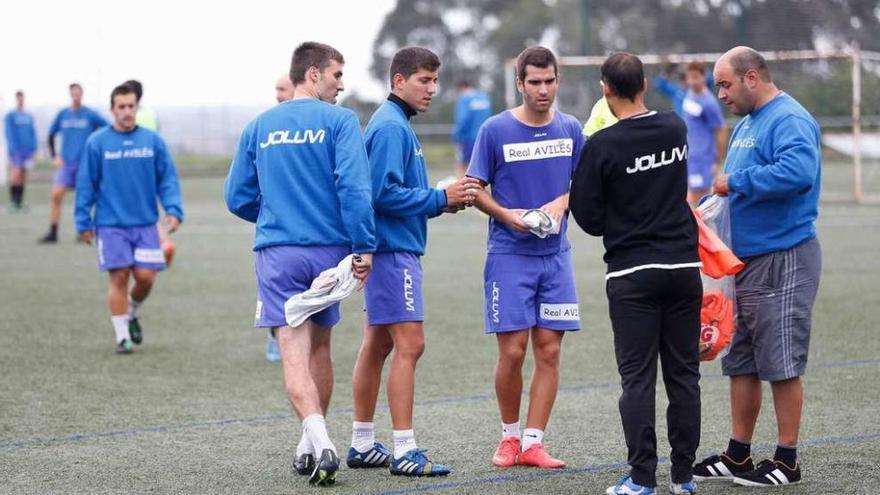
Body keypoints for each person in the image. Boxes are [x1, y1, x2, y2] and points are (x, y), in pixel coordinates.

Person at [224, 41, 376, 487]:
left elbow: (237, 197)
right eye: (336, 75)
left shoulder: (259, 125)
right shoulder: (342, 121)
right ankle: (311, 443)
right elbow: (354, 189)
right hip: (330, 252)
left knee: (292, 350)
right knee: (322, 349)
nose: (341, 85)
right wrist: (363, 247)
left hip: (278, 252)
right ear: (312, 75)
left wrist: (275, 215)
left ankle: (317, 441)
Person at [569, 52, 702, 495]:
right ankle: (684, 477)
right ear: (644, 83)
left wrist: (622, 222)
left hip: (632, 272)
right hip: (684, 267)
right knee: (684, 375)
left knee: (638, 379)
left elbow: (586, 216)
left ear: (605, 89)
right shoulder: (675, 126)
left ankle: (643, 478)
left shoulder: (601, 145)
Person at [693, 46, 822, 488]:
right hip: (743, 263)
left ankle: (787, 460)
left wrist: (737, 182)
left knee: (781, 360)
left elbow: (798, 171)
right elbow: (731, 193)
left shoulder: (788, 118)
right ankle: (739, 455)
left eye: (725, 85)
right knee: (741, 359)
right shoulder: (748, 123)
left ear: (752, 77)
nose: (721, 95)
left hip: (782, 257)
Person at [348, 46, 478, 478]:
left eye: (435, 80)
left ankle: (362, 442)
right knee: (409, 344)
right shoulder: (389, 128)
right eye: (424, 80)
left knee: (379, 343)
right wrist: (441, 198)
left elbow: (395, 190)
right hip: (392, 251)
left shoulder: (395, 123)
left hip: (390, 247)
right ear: (398, 81)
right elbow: (382, 195)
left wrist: (439, 198)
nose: (432, 89)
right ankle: (405, 449)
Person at [467, 46, 584, 470]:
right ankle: (509, 437)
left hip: (556, 257)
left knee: (549, 351)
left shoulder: (571, 128)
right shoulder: (495, 130)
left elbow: (586, 184)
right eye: (534, 82)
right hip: (509, 255)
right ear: (519, 84)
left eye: (550, 81)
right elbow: (474, 188)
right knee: (514, 352)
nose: (543, 90)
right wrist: (507, 215)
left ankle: (534, 443)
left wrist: (561, 201)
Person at [74, 83, 183, 354]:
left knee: (146, 277)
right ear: (112, 110)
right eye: (121, 107)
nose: (126, 111)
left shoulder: (152, 141)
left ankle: (132, 311)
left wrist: (173, 209)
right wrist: (82, 222)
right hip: (110, 225)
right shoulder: (97, 142)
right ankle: (122, 337)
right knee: (119, 277)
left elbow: (167, 178)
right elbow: (86, 183)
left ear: (136, 107)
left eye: (131, 106)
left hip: (146, 223)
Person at [41, 83, 108, 243]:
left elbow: (108, 129)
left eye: (79, 94)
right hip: (67, 164)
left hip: (85, 164)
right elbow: (50, 135)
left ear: (82, 95)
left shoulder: (90, 114)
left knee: (87, 198)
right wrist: (54, 156)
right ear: (70, 94)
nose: (76, 96)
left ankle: (84, 230)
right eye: (74, 94)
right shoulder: (63, 114)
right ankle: (53, 232)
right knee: (56, 195)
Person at [680, 62, 727, 204]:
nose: (692, 81)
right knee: (691, 197)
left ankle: (703, 227)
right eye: (689, 77)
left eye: (695, 77)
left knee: (700, 201)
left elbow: (721, 129)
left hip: (702, 160)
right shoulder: (689, 94)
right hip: (690, 157)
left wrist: (717, 161)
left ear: (703, 77)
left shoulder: (709, 102)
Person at [4, 90, 37, 212]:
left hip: (27, 150)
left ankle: (19, 202)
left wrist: (34, 148)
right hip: (16, 150)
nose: (21, 100)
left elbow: (33, 133)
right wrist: (13, 150)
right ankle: (13, 202)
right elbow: (9, 133)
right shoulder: (10, 115)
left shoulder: (28, 116)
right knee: (15, 175)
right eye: (18, 98)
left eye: (22, 98)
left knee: (23, 175)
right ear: (16, 99)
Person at [451, 81, 491, 178]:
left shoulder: (465, 98)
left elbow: (463, 119)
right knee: (482, 168)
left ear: (462, 88)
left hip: (468, 138)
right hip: (484, 137)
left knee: (462, 165)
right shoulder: (483, 96)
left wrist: (456, 136)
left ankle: (463, 191)